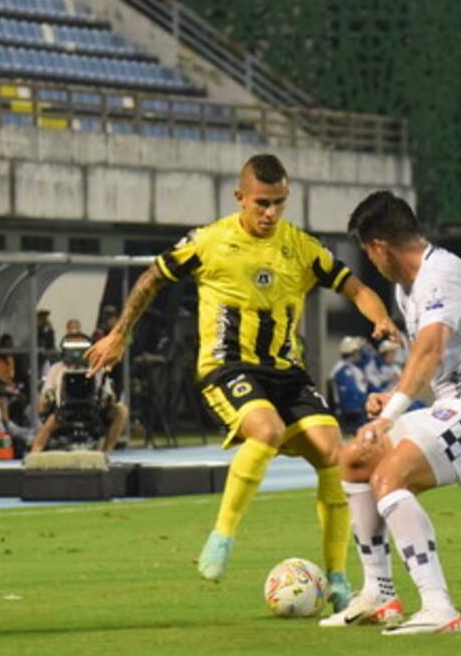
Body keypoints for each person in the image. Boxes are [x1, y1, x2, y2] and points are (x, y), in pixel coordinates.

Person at [88, 154, 397, 607]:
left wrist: (381, 318)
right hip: (228, 366)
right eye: (262, 203)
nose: (271, 213)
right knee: (266, 431)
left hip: (286, 372)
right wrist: (120, 333)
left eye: (279, 203)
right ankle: (222, 537)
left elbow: (357, 288)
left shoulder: (301, 246)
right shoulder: (209, 241)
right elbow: (153, 277)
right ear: (240, 198)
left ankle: (336, 578)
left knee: (337, 456)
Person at [321, 190, 461, 634]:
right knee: (354, 458)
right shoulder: (406, 289)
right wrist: (393, 397)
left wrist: (390, 415)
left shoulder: (443, 273)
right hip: (454, 408)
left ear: (379, 247)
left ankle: (439, 607)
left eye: (367, 252)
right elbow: (427, 363)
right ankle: (379, 593)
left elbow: (431, 351)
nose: (370, 262)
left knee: (389, 477)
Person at [31, 334, 129, 454]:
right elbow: (46, 395)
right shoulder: (56, 369)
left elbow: (108, 395)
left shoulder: (97, 367)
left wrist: (109, 400)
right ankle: (35, 453)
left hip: (93, 411)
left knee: (122, 411)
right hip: (63, 411)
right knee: (50, 423)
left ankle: (106, 452)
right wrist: (46, 402)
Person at [330, 336, 370, 432]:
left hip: (359, 408)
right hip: (351, 412)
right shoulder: (341, 369)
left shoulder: (354, 367)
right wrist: (365, 403)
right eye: (357, 352)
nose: (359, 355)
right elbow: (351, 393)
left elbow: (368, 359)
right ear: (353, 353)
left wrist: (363, 347)